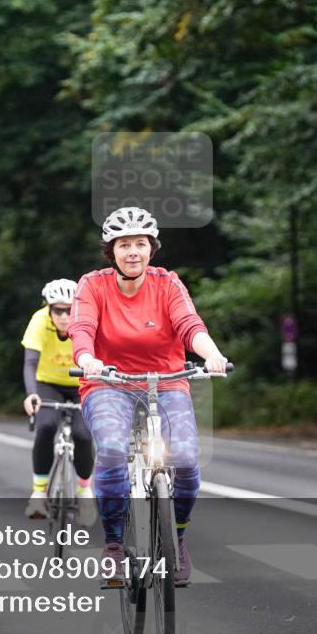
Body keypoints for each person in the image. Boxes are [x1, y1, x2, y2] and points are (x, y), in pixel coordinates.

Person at [68, 206, 229, 585]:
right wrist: (88, 358)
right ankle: (112, 546)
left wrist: (213, 355)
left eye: (140, 243)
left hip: (167, 380)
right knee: (109, 450)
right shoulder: (92, 285)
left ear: (151, 248)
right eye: (124, 244)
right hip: (109, 383)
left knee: (187, 459)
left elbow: (190, 326)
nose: (133, 252)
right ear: (112, 251)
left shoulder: (168, 283)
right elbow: (81, 327)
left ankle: (178, 536)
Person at [21, 279, 96, 526]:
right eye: (58, 310)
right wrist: (32, 394)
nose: (64, 316)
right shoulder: (39, 321)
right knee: (45, 426)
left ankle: (85, 491)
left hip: (81, 385)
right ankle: (39, 492)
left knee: (84, 436)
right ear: (48, 309)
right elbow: (30, 362)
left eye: (68, 309)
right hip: (48, 384)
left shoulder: (86, 320)